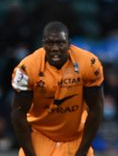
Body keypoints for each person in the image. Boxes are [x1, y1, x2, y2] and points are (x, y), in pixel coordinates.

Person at [10, 21, 104, 156]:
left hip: (76, 136)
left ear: (69, 43)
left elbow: (97, 108)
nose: (55, 48)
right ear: (43, 44)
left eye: (60, 43)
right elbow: (17, 113)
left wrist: (82, 151)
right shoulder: (27, 68)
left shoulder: (88, 63)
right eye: (50, 43)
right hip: (41, 135)